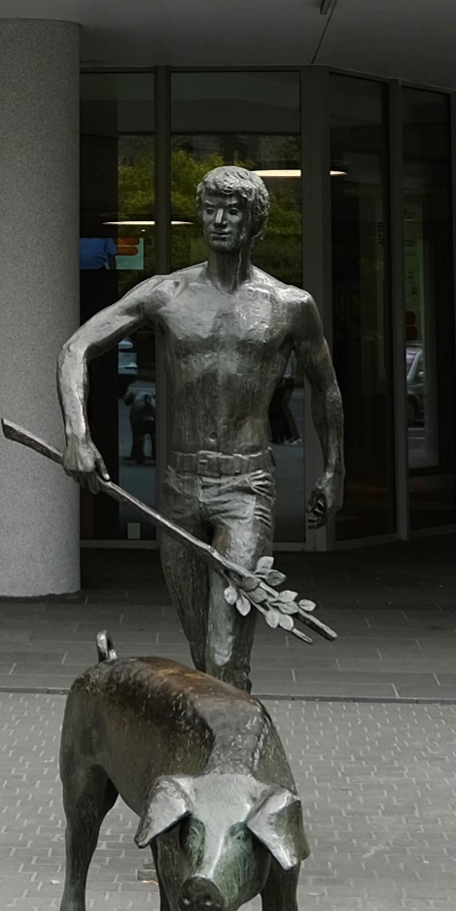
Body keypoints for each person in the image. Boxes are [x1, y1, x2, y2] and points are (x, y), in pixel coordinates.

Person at [57, 165, 345, 691]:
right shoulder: (167, 294)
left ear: (255, 222)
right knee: (202, 653)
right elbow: (75, 348)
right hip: (180, 486)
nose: (219, 220)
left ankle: (234, 739)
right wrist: (77, 434)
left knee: (224, 653)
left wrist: (333, 471)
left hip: (246, 487)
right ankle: (220, 729)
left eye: (233, 210)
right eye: (210, 209)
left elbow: (326, 388)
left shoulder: (289, 306)